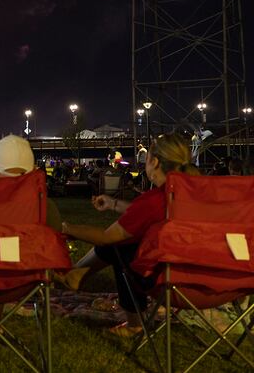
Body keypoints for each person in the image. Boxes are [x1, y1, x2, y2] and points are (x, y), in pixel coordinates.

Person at [61, 133, 199, 337]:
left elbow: (107, 237)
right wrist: (113, 203)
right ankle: (76, 274)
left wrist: (66, 228)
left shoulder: (155, 199)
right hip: (203, 277)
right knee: (130, 241)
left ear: (154, 161)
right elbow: (144, 214)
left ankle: (135, 324)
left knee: (124, 248)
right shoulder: (193, 194)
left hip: (170, 281)